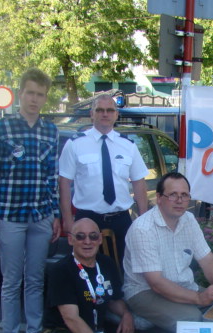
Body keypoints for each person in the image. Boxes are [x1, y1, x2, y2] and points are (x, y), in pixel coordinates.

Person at [0, 67, 61, 333]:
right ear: (20, 94)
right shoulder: (1, 130)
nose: (34, 99)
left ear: (45, 98)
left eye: (40, 94)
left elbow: (51, 176)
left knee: (36, 280)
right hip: (10, 216)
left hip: (40, 215)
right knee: (11, 281)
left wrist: (55, 213)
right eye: (30, 93)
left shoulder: (50, 131)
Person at [123, 172, 213, 332]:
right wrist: (199, 298)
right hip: (144, 291)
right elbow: (156, 283)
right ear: (159, 198)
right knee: (192, 320)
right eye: (173, 195)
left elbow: (207, 259)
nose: (179, 201)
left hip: (181, 285)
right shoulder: (143, 229)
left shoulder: (189, 219)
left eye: (184, 195)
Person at [59, 94, 149, 268]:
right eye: (100, 110)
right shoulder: (75, 144)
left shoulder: (128, 145)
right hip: (87, 219)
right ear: (91, 114)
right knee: (86, 270)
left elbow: (139, 182)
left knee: (123, 269)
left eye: (110, 110)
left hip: (120, 219)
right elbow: (64, 183)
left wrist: (143, 218)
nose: (105, 114)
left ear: (116, 114)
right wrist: (67, 220)